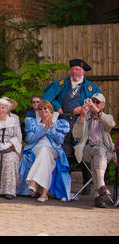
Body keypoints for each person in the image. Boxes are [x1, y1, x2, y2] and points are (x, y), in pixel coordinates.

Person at [43, 59, 101, 195]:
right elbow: (47, 97)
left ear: (83, 72)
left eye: (78, 70)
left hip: (82, 124)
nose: (75, 72)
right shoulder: (61, 84)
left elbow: (98, 104)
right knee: (65, 152)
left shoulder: (91, 88)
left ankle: (87, 183)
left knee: (82, 152)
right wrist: (57, 107)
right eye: (73, 69)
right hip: (64, 123)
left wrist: (83, 107)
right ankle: (64, 184)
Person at [17, 100, 71, 202]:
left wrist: (51, 128)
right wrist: (44, 129)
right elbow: (30, 139)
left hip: (53, 149)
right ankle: (44, 193)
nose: (43, 111)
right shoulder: (33, 123)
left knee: (45, 151)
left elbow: (59, 141)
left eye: (45, 108)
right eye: (40, 109)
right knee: (44, 152)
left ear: (50, 110)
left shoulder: (59, 124)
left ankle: (34, 182)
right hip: (36, 148)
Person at [72, 93, 116, 208]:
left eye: (97, 102)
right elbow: (76, 134)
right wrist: (81, 117)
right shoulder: (86, 117)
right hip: (87, 149)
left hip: (105, 151)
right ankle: (101, 187)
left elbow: (111, 124)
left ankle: (99, 195)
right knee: (98, 152)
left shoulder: (107, 117)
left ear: (103, 105)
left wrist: (98, 112)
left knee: (99, 154)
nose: (94, 104)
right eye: (93, 102)